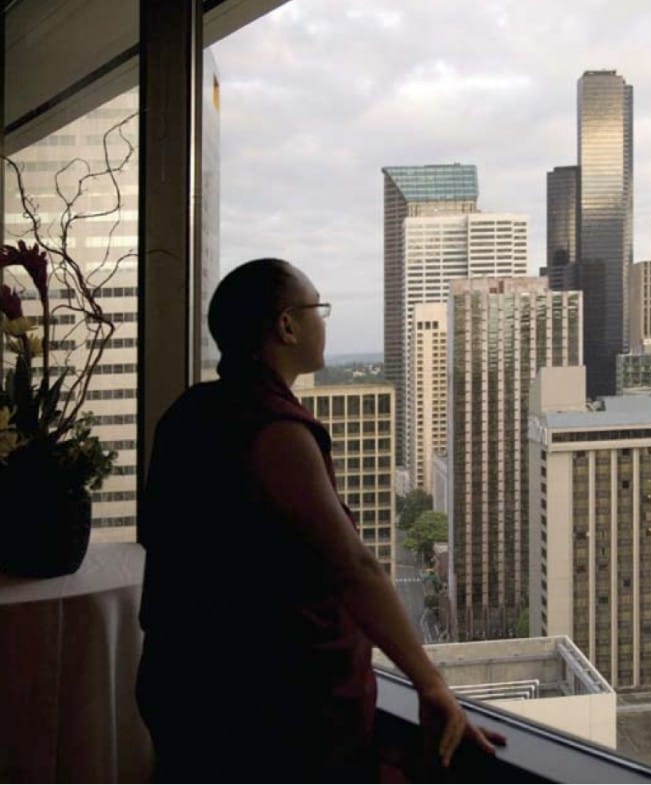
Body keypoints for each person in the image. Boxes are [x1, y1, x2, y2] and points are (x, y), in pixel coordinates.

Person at [136, 258, 504, 782]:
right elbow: (354, 566)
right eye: (318, 309)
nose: (324, 322)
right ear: (286, 325)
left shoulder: (189, 411)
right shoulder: (273, 430)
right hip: (267, 713)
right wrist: (431, 684)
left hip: (185, 687)